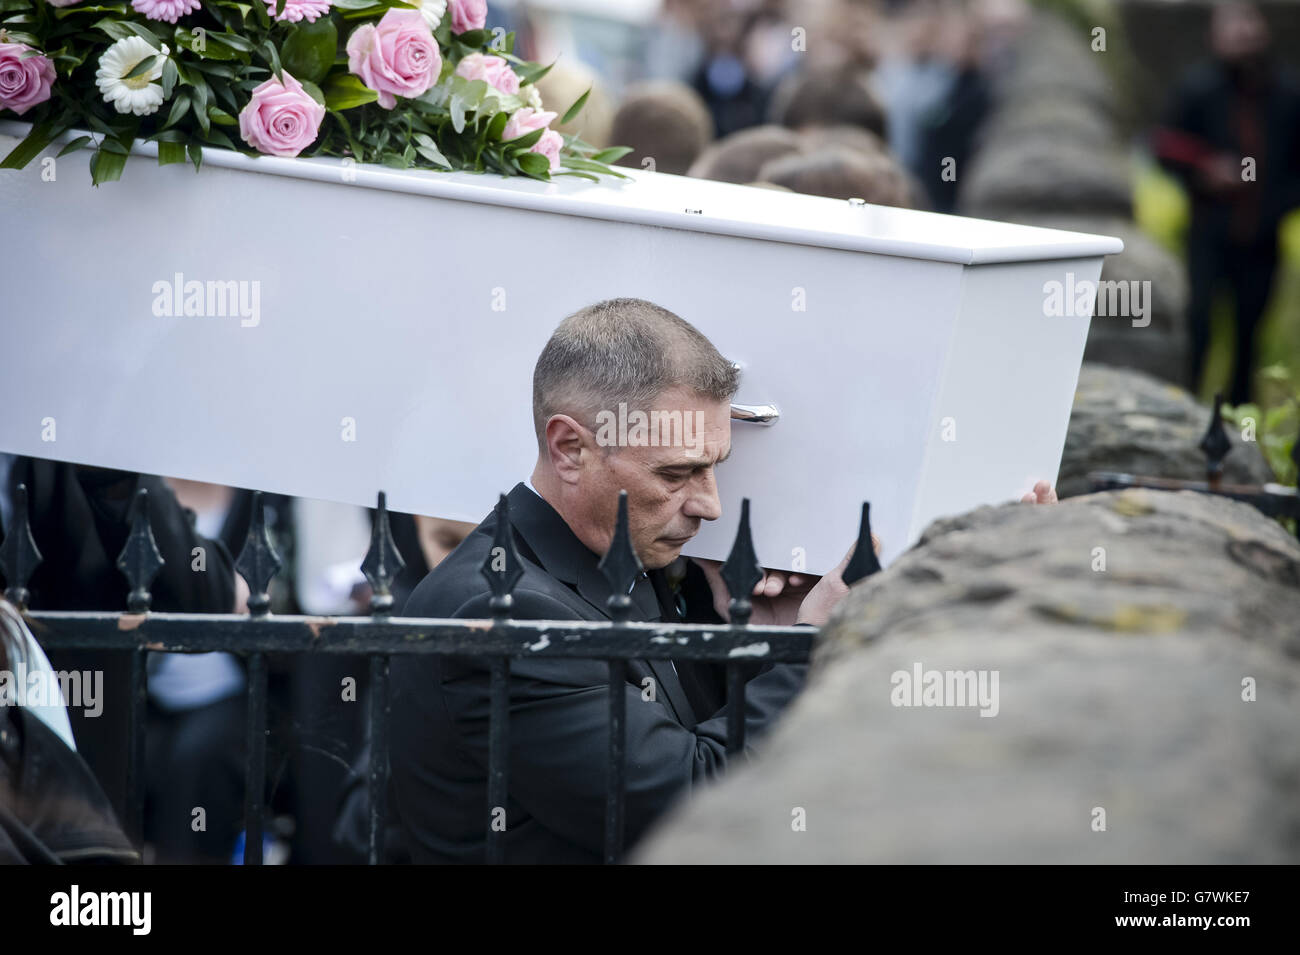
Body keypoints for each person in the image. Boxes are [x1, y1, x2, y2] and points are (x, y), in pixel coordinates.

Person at [390, 297, 1057, 864]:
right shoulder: (501, 609)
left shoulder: (640, 568)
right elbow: (690, 805)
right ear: (569, 447)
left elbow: (714, 735)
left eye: (716, 467)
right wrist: (807, 643)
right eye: (676, 474)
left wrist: (768, 636)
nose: (710, 503)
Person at [1153, 1, 1300, 403]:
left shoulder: (1288, 93)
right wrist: (1206, 170)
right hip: (1208, 234)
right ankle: (1187, 410)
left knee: (1249, 335)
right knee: (1198, 324)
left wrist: (1273, 205)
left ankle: (1238, 426)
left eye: (1249, 24)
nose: (1243, 34)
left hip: (1262, 239)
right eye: (1232, 26)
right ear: (1214, 36)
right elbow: (1164, 146)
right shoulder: (1197, 89)